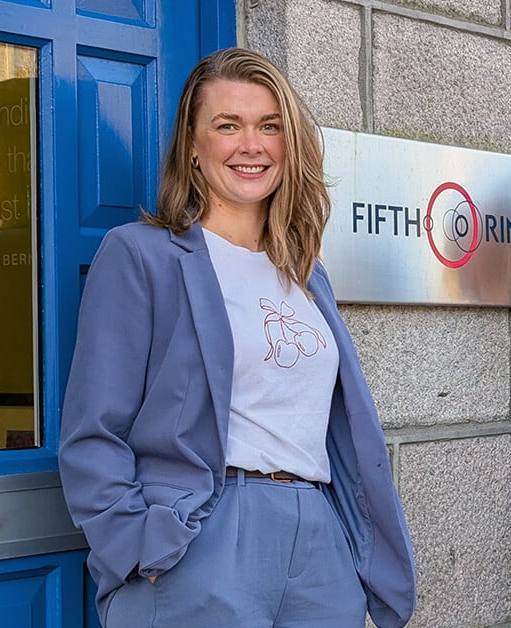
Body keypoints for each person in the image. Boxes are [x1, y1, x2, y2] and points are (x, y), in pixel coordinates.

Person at [57, 47, 415, 627]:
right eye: (227, 125)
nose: (251, 144)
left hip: (318, 538)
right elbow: (93, 431)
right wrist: (137, 545)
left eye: (269, 126)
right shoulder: (142, 256)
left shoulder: (305, 272)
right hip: (204, 534)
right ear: (193, 149)